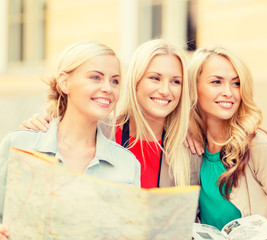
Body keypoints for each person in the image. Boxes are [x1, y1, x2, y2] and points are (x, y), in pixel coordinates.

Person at [0, 41, 140, 239]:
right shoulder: (18, 145)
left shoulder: (128, 165)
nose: (108, 88)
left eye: (115, 81)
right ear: (65, 83)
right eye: (96, 77)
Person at [20, 38, 201, 189]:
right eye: (155, 78)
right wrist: (43, 124)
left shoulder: (189, 152)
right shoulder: (100, 131)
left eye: (176, 81)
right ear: (134, 81)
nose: (165, 90)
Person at [187, 45, 267, 233]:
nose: (229, 92)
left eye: (236, 83)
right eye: (216, 82)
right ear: (194, 87)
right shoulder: (192, 146)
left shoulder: (258, 145)